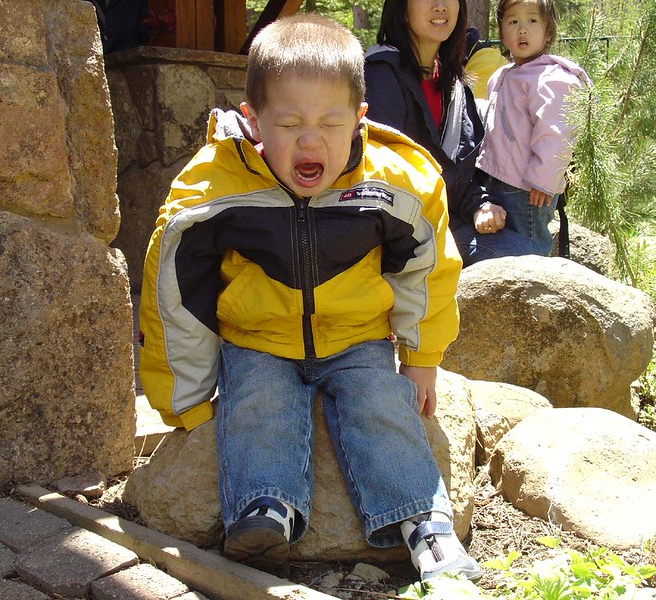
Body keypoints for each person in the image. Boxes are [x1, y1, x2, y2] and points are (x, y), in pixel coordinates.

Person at [138, 13, 482, 582]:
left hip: (359, 339)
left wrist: (422, 360)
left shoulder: (393, 183)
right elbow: (176, 292)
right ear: (252, 121)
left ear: (359, 120)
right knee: (256, 405)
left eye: (329, 122)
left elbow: (428, 270)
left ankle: (424, 522)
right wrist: (188, 401)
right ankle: (265, 510)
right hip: (258, 341)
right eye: (289, 123)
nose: (310, 139)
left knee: (382, 405)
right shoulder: (217, 185)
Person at [364, 0, 538, 266]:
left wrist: (481, 205)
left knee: (530, 251)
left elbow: (461, 173)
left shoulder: (453, 83)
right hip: (398, 241)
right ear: (401, 8)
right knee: (525, 257)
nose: (440, 5)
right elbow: (383, 177)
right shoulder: (381, 75)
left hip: (445, 226)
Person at [476, 0, 592, 256]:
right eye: (513, 21)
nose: (522, 30)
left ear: (548, 31)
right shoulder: (503, 75)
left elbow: (556, 133)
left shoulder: (551, 78)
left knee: (529, 245)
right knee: (507, 244)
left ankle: (533, 291)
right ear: (501, 32)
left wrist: (543, 179)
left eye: (532, 21)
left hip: (529, 189)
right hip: (498, 178)